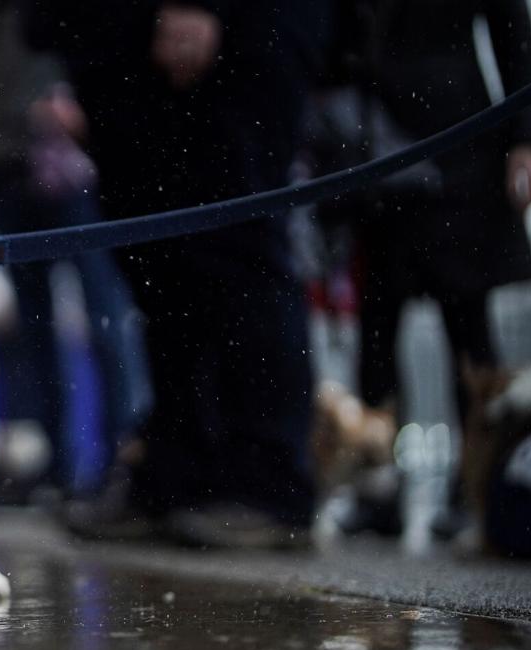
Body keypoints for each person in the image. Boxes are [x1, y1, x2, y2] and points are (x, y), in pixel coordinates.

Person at [28, 1, 330, 545]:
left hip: (227, 36)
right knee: (156, 266)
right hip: (122, 44)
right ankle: (177, 472)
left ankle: (268, 480)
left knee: (239, 246)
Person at [329, 0, 531, 433]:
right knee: (376, 336)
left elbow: (511, 27)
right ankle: (377, 483)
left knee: (469, 335)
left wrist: (527, 139)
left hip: (459, 144)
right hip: (372, 147)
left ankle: (480, 480)